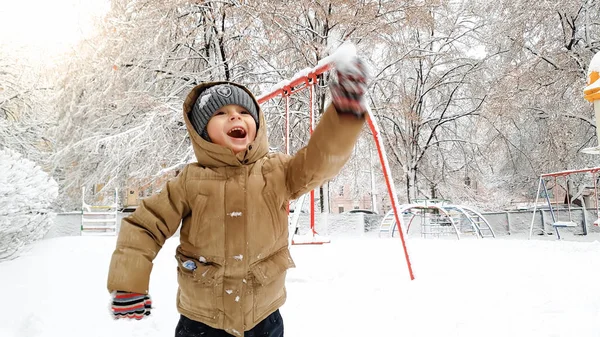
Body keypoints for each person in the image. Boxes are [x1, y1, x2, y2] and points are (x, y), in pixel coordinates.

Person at [107, 55, 369, 337]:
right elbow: (145, 226)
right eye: (220, 114)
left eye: (244, 112)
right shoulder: (189, 181)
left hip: (264, 316)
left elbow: (320, 161)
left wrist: (343, 117)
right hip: (202, 320)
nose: (234, 116)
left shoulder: (277, 172)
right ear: (201, 132)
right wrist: (128, 281)